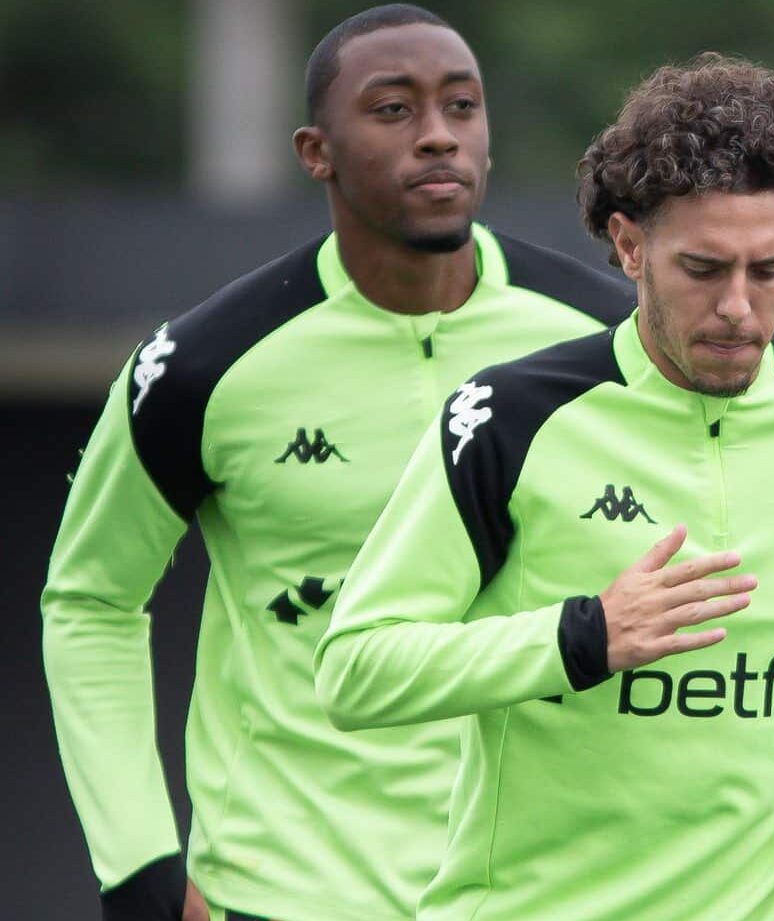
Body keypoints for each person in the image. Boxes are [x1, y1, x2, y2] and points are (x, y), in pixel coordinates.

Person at [314, 52, 774, 921]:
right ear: (629, 245)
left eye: (767, 269)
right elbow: (355, 670)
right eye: (701, 269)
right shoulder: (510, 419)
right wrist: (583, 637)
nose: (738, 306)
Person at [41, 5, 632, 919]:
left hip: (545, 889)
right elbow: (90, 602)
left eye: (462, 107)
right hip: (284, 891)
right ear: (316, 151)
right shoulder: (202, 363)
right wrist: (141, 868)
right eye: (393, 110)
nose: (438, 136)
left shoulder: (610, 339)